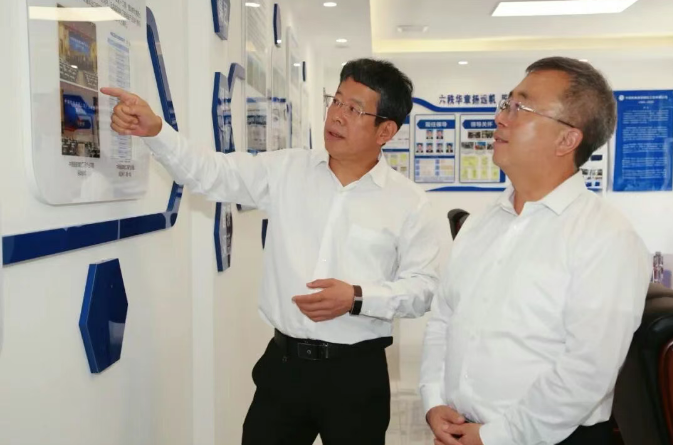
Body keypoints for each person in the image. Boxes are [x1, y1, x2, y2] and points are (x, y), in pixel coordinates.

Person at [102, 58, 440, 445]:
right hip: (285, 368)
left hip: (356, 376)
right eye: (336, 101)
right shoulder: (287, 170)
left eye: (354, 109)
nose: (337, 116)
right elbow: (212, 173)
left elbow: (423, 288)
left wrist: (357, 298)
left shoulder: (409, 203)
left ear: (386, 130)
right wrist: (157, 131)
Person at [420, 56, 651, 445]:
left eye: (520, 108)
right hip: (462, 429)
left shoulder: (607, 237)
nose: (500, 118)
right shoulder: (482, 222)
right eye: (506, 103)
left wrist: (495, 437)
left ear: (567, 139)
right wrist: (434, 400)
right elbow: (444, 318)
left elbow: (586, 371)